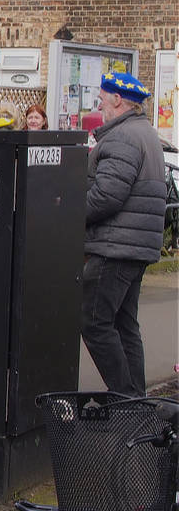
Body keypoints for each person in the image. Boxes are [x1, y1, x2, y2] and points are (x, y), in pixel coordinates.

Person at [82, 72, 166, 397]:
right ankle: (137, 401)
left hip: (115, 248)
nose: (100, 104)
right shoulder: (144, 132)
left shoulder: (122, 138)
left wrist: (65, 215)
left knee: (94, 322)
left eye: (102, 98)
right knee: (124, 325)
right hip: (135, 247)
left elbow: (106, 197)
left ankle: (126, 399)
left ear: (118, 99)